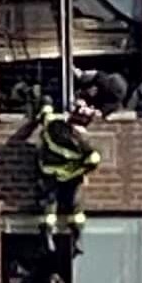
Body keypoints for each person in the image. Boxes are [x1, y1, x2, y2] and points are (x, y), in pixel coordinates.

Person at [35, 96, 102, 256]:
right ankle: (77, 237)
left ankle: (47, 235)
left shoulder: (54, 124)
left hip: (49, 172)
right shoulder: (83, 141)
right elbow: (93, 159)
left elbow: (45, 114)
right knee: (76, 207)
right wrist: (82, 170)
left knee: (50, 205)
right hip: (71, 176)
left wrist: (46, 102)